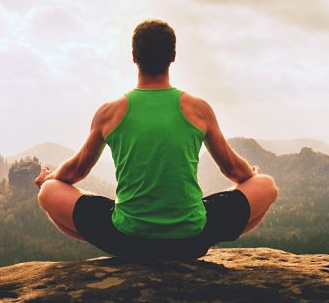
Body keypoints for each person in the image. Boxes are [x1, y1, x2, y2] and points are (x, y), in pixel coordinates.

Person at [35, 19, 278, 260]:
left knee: (48, 191)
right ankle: (186, 248)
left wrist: (50, 178)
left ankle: (130, 251)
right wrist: (252, 175)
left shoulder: (110, 112)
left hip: (127, 239)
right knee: (266, 185)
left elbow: (76, 170)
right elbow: (233, 169)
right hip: (191, 239)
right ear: (173, 56)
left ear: (134, 56)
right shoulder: (198, 109)